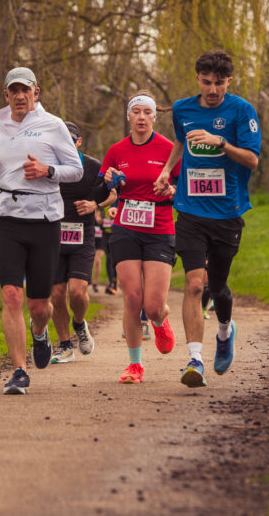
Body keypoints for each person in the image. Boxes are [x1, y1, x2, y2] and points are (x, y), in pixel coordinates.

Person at [154, 50, 260, 388]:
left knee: (217, 286)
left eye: (218, 83)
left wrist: (221, 142)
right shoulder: (184, 109)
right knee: (194, 284)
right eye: (206, 82)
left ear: (229, 81)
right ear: (197, 79)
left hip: (227, 212)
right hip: (190, 210)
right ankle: (195, 359)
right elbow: (180, 143)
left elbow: (252, 160)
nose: (212, 89)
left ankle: (226, 331)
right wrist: (166, 171)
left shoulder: (242, 111)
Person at [0, 66, 83, 394]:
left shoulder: (53, 126)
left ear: (36, 92)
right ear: (6, 95)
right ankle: (19, 371)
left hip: (44, 221)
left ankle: (40, 333)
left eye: (26, 90)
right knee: (11, 295)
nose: (20, 96)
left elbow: (76, 170)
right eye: (14, 91)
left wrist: (46, 169)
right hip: (6, 219)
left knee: (39, 305)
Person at [101, 91, 181, 384]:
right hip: (126, 228)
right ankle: (134, 365)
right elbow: (103, 188)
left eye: (148, 112)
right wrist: (107, 181)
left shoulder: (169, 149)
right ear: (129, 117)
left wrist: (172, 191)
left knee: (152, 305)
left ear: (154, 117)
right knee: (132, 298)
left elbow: (183, 188)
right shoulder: (116, 151)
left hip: (159, 228)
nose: (142, 118)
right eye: (137, 112)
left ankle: (160, 320)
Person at [49, 121, 111, 364]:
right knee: (56, 295)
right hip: (53, 235)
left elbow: (113, 194)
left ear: (79, 142)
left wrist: (95, 205)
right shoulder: (49, 165)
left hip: (81, 235)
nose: (67, 145)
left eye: (71, 141)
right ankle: (65, 345)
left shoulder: (94, 167)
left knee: (77, 292)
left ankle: (79, 324)